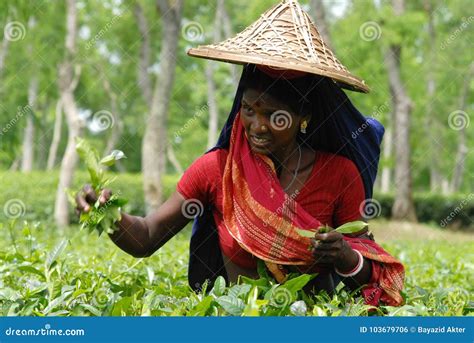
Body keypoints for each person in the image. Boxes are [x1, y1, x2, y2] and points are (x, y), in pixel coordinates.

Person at [75, 0, 404, 306]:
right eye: (248, 110)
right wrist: (109, 215)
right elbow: (146, 237)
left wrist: (346, 257)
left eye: (273, 115)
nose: (257, 126)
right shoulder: (217, 170)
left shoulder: (340, 175)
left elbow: (373, 281)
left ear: (303, 116)